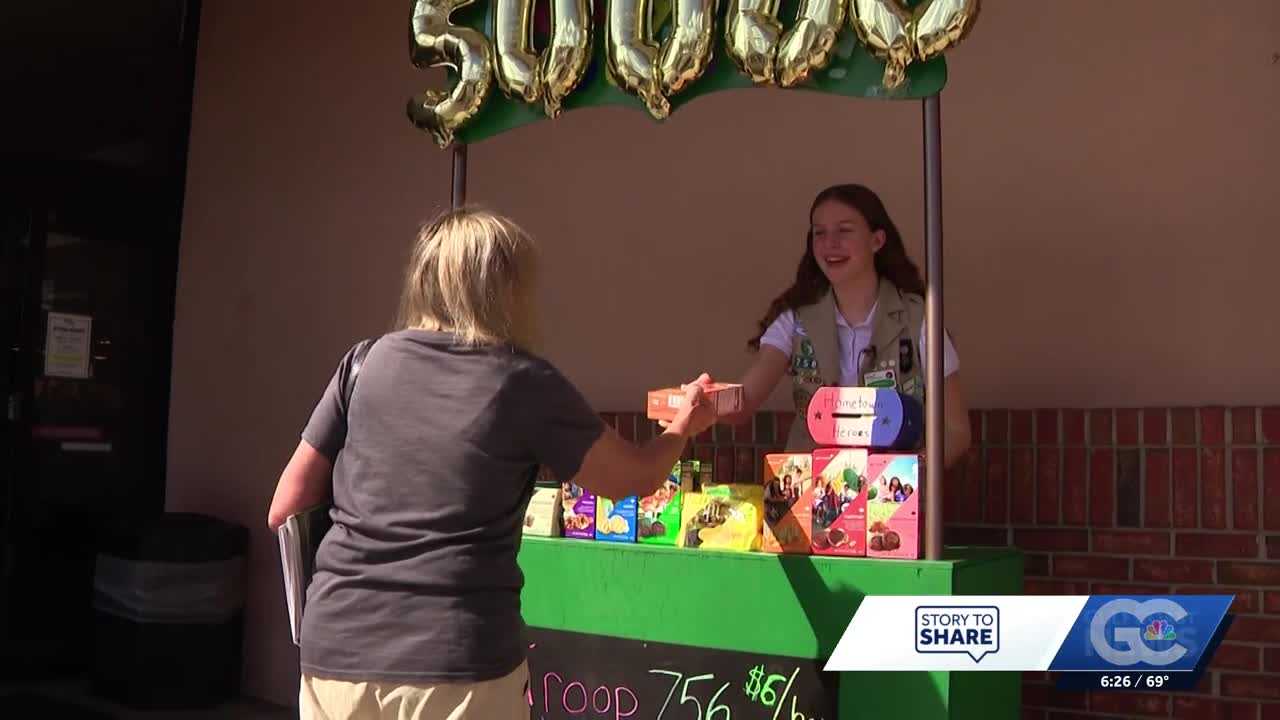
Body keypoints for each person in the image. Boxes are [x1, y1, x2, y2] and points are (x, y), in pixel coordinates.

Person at [266, 207, 719, 720]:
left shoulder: (362, 364)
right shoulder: (521, 380)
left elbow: (284, 507)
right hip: (458, 657)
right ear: (505, 288)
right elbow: (631, 479)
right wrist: (683, 426)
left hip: (336, 653)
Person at [726, 184, 971, 466]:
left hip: (893, 499)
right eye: (819, 233)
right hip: (810, 496)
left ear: (877, 240)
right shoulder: (794, 320)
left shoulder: (920, 320)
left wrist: (911, 469)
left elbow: (956, 431)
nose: (830, 243)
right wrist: (700, 403)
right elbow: (743, 400)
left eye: (844, 230)